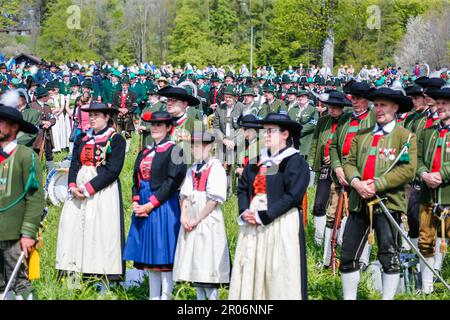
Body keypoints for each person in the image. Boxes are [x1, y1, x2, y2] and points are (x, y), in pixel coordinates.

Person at [341, 87, 417, 300]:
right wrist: (356, 183)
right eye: (376, 105)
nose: (378, 109)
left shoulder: (406, 137)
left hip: (388, 204)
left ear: (395, 108)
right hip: (358, 203)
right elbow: (349, 163)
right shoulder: (361, 135)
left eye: (383, 105)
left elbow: (408, 170)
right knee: (348, 254)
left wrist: (376, 185)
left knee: (389, 255)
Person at [229, 112, 309, 300]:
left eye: (271, 131)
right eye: (264, 131)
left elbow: (293, 196)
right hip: (253, 219)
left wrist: (264, 216)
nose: (266, 135)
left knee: (277, 268)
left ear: (285, 134)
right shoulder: (258, 160)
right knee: (253, 264)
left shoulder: (294, 161)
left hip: (280, 220)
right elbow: (242, 187)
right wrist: (244, 211)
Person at [55, 102, 126, 289]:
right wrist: (72, 186)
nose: (92, 118)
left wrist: (88, 189)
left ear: (107, 117)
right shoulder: (82, 137)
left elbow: (112, 170)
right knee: (73, 228)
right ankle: (73, 273)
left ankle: (100, 276)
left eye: (97, 115)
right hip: (78, 190)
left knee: (100, 231)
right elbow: (74, 164)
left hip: (102, 190)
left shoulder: (116, 139)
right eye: (90, 115)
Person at [123, 111, 187, 300]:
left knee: (163, 254)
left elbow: (172, 181)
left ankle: (166, 296)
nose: (155, 128)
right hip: (143, 204)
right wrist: (136, 201)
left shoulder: (175, 150)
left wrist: (151, 204)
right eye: (153, 124)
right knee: (150, 255)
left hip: (163, 205)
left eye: (160, 125)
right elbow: (136, 178)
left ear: (169, 128)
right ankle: (153, 296)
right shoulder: (145, 151)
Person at [173, 131, 230, 300]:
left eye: (199, 146)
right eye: (193, 146)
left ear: (209, 147)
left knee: (207, 262)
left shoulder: (215, 167)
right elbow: (184, 195)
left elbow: (214, 200)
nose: (195, 149)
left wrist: (197, 219)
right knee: (195, 263)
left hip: (207, 220)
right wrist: (184, 217)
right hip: (191, 218)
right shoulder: (192, 169)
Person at [328, 79, 375, 270]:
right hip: (341, 176)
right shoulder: (345, 119)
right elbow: (333, 146)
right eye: (353, 98)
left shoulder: (373, 119)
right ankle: (329, 259)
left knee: (365, 219)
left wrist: (355, 175)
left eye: (359, 98)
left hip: (363, 178)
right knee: (333, 216)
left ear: (367, 100)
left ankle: (362, 260)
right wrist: (338, 168)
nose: (355, 101)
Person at [0, 98, 44, 300]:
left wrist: (28, 232)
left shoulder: (26, 156)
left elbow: (35, 198)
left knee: (20, 284)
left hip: (15, 233)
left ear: (14, 127)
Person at [416, 85, 450, 294]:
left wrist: (442, 175)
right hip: (428, 193)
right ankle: (427, 286)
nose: (440, 107)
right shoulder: (428, 131)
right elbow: (417, 158)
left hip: (448, 194)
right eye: (438, 103)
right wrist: (425, 175)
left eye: (445, 103)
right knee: (426, 239)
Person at [307, 90, 351, 253]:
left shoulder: (348, 121)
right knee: (319, 204)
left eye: (334, 107)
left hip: (342, 169)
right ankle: (319, 241)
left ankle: (339, 239)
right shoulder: (323, 121)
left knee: (341, 206)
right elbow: (315, 142)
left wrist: (335, 159)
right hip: (324, 169)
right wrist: (311, 162)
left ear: (342, 108)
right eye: (329, 107)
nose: (330, 110)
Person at [30, 86, 56, 171]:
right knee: (36, 153)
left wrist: (49, 123)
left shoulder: (47, 107)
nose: (49, 97)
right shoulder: (31, 106)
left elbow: (53, 118)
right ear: (43, 97)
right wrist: (42, 122)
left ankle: (50, 172)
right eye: (47, 95)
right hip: (37, 135)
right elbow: (31, 119)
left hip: (47, 134)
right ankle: (35, 171)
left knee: (49, 153)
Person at [113, 75, 137, 152]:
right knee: (117, 133)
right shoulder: (117, 93)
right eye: (123, 85)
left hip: (128, 116)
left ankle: (127, 149)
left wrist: (127, 110)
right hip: (118, 115)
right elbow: (113, 105)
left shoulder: (133, 94)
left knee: (128, 133)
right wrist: (119, 109)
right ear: (121, 85)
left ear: (128, 85)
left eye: (126, 85)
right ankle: (118, 147)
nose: (124, 86)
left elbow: (134, 106)